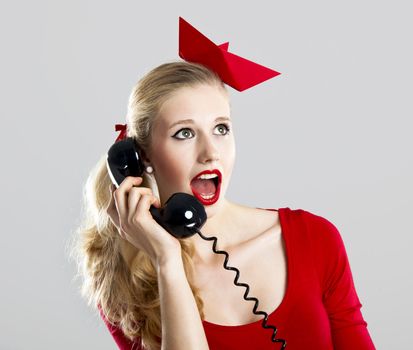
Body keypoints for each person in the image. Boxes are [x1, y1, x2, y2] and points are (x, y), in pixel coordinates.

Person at [71, 18, 375, 350]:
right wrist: (167, 261)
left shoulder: (316, 240)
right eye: (184, 133)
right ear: (141, 156)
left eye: (221, 128)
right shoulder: (124, 279)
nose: (210, 152)